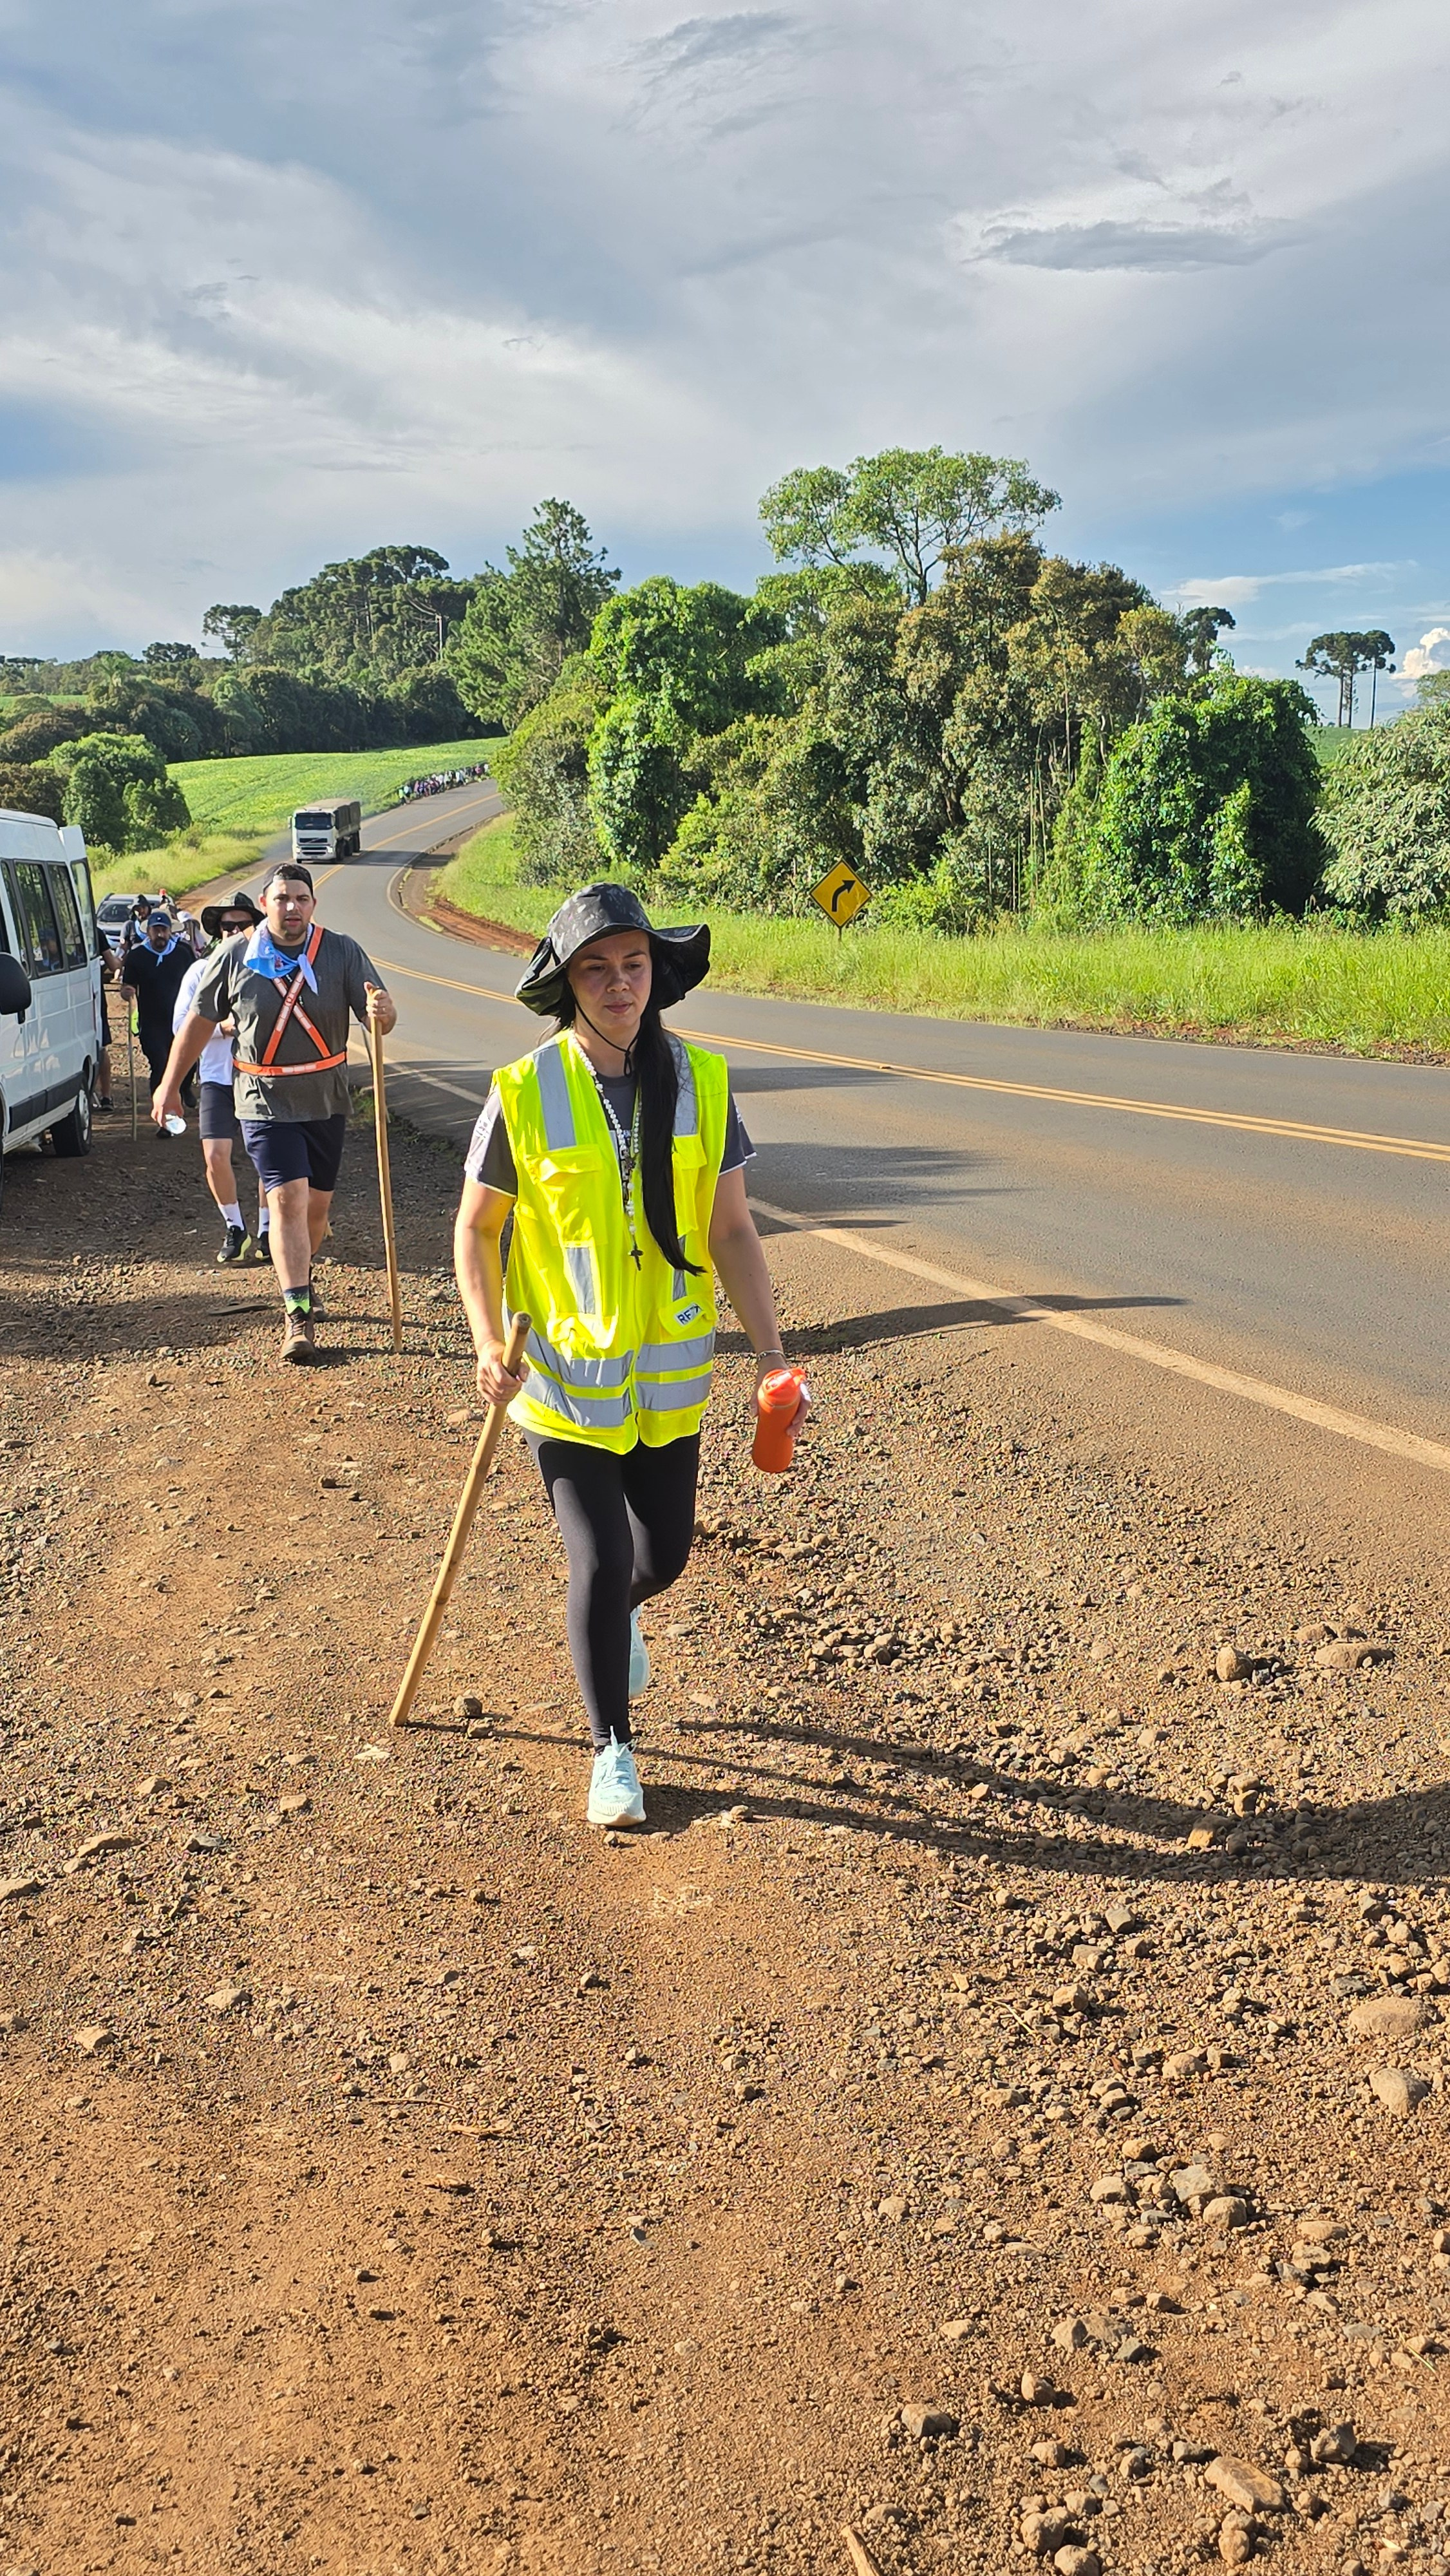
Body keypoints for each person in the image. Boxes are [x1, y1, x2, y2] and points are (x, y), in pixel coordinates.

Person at [453, 882, 806, 1831]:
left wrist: (771, 1353)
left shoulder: (704, 1081)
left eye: (634, 964)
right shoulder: (523, 1093)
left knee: (665, 1555)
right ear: (567, 984)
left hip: (668, 1377)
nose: (618, 985)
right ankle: (613, 1749)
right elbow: (477, 1233)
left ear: (658, 974)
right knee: (603, 1560)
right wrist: (490, 1343)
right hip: (562, 1375)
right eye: (596, 969)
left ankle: (615, 1622)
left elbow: (732, 1229)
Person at [153, 862, 396, 1363]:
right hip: (263, 1098)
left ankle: (301, 1276)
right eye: (282, 898)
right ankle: (297, 1315)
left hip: (326, 1097)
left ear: (313, 903)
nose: (292, 908)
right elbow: (200, 1021)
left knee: (316, 1211)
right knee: (286, 1200)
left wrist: (383, 1013)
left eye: (301, 899)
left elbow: (382, 1015)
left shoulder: (342, 951)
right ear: (265, 904)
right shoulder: (236, 954)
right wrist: (169, 1085)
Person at [173, 893, 268, 1263]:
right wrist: (221, 1027)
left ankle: (267, 1228)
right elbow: (181, 1025)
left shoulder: (268, 967)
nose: (234, 931)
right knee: (215, 1155)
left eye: (242, 925)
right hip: (217, 1077)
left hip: (260, 1076)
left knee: (266, 1158)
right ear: (216, 932)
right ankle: (235, 1227)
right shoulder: (201, 970)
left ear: (255, 926)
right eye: (226, 926)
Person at [120, 908, 198, 1113]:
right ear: (149, 932)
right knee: (160, 1064)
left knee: (188, 1060)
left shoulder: (183, 953)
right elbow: (127, 986)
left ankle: (184, 1087)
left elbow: (197, 982)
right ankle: (163, 1112)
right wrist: (126, 992)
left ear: (170, 931)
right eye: (156, 930)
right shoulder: (137, 956)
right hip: (151, 1022)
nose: (160, 935)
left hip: (181, 1020)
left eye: (164, 930)